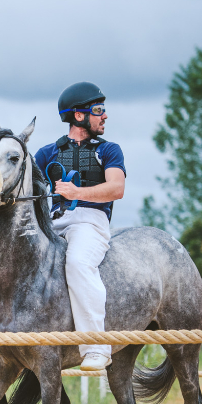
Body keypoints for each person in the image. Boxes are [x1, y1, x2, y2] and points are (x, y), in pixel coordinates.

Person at [33, 81, 125, 371]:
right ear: (78, 116)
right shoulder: (47, 153)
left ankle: (96, 346)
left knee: (77, 263)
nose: (105, 116)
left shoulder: (109, 150)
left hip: (91, 221)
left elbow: (116, 188)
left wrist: (77, 193)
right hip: (53, 222)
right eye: (99, 110)